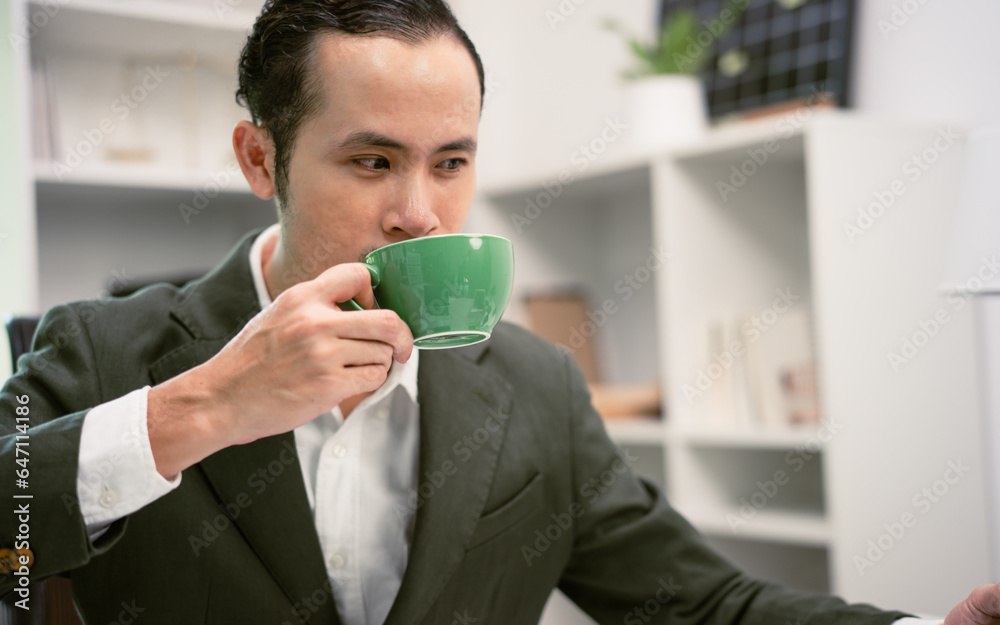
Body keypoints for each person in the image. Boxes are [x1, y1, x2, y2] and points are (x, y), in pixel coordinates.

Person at [0, 1, 996, 623]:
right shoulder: (103, 346)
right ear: (261, 159)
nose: (419, 211)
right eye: (372, 159)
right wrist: (207, 406)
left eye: (453, 161)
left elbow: (700, 601)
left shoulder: (535, 385)